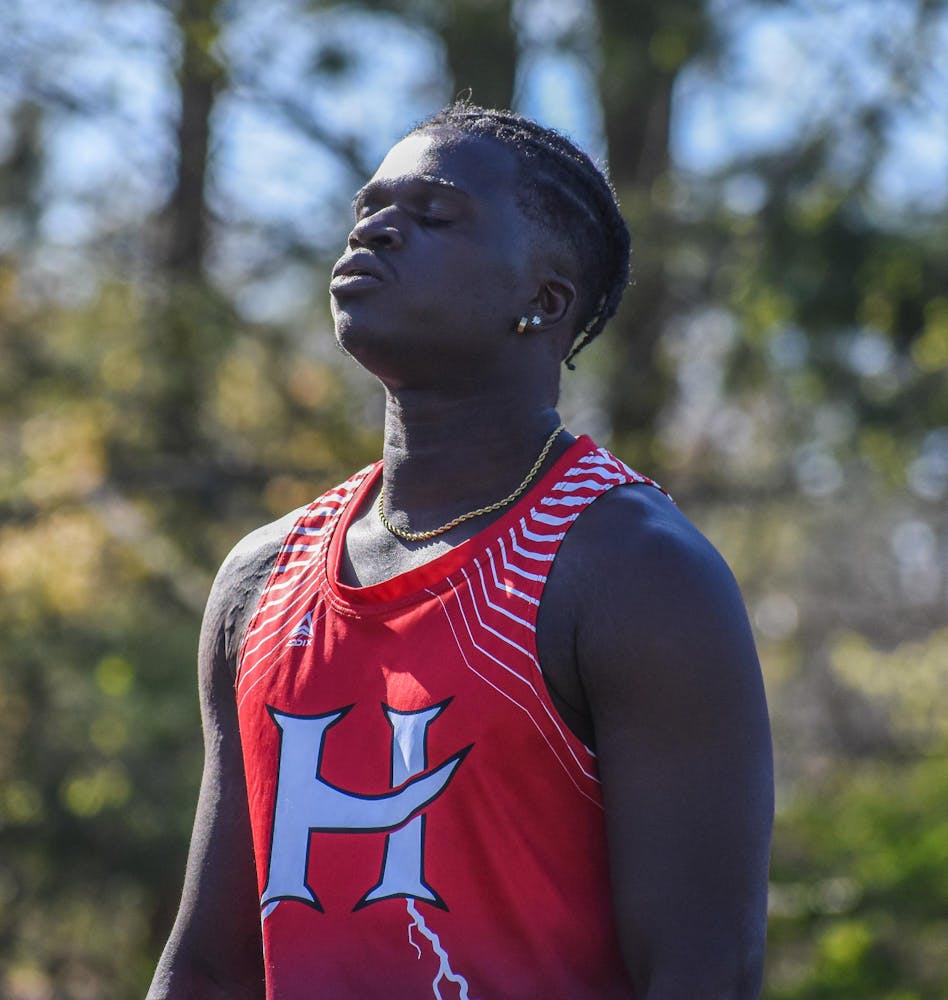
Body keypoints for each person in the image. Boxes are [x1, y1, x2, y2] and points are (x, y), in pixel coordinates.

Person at [147, 102, 773, 1000]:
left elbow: (705, 970)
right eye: (368, 210)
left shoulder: (634, 571)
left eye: (433, 215)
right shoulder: (263, 577)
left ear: (543, 301)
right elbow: (208, 969)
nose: (374, 231)